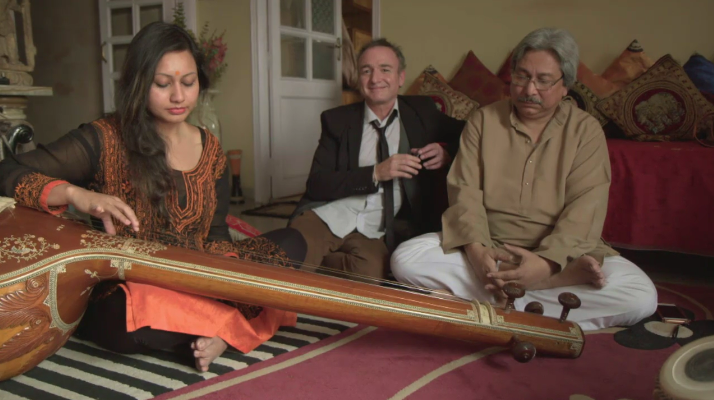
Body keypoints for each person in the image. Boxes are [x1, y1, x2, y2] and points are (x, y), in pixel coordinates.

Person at [0, 22, 306, 372]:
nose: (178, 96)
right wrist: (76, 194)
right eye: (163, 84)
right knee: (117, 319)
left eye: (188, 83)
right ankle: (226, 327)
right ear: (139, 83)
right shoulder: (105, 138)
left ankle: (206, 324)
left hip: (198, 277)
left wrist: (226, 277)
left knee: (291, 243)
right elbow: (7, 171)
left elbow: (216, 234)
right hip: (133, 287)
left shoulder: (211, 150)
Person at [390, 28, 658, 331]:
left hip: (563, 255)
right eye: (521, 76)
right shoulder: (484, 120)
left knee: (641, 296)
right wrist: (478, 254)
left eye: (543, 81)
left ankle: (486, 302)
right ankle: (543, 295)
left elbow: (585, 208)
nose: (529, 89)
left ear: (565, 86)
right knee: (405, 258)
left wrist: (546, 264)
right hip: (493, 246)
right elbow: (464, 193)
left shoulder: (586, 131)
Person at [288, 38, 465, 279]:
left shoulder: (422, 112)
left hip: (376, 228)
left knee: (370, 276)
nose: (375, 79)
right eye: (366, 71)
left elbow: (469, 133)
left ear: (401, 77)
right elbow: (317, 184)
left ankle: (312, 260)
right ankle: (292, 263)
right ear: (358, 79)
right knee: (294, 255)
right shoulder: (337, 120)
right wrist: (375, 173)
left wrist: (447, 153)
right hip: (329, 214)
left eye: (385, 69)